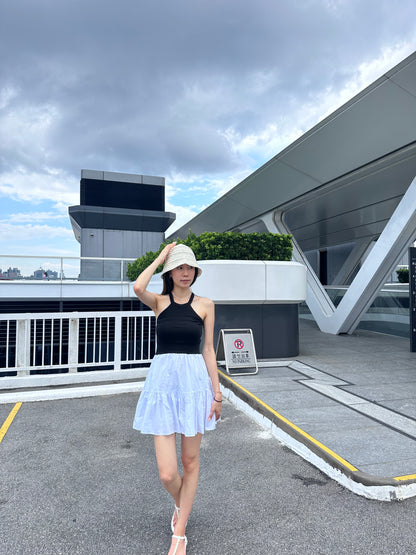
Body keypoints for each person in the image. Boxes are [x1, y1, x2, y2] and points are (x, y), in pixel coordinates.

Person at [132, 242, 222, 555]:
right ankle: (181, 503)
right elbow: (137, 285)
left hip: (194, 386)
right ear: (171, 272)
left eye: (190, 268)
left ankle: (179, 534)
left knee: (190, 462)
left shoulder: (206, 305)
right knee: (168, 472)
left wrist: (218, 394)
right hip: (163, 386)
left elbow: (208, 350)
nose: (186, 273)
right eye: (180, 268)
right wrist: (160, 256)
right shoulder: (159, 302)